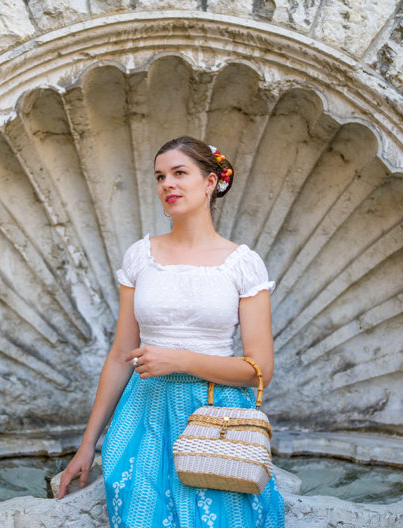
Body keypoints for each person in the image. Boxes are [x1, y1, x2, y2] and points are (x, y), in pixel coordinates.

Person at [57, 136, 285, 527]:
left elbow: (260, 368)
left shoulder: (243, 264)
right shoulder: (140, 256)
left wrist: (179, 359)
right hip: (143, 414)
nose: (168, 184)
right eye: (160, 176)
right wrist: (86, 446)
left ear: (211, 182)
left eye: (180, 173)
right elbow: (119, 355)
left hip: (217, 415)